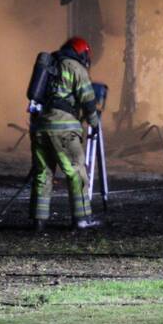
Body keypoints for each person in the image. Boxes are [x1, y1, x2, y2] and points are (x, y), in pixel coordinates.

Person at [29, 36, 102, 231]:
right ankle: (82, 219)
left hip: (40, 127)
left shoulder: (50, 66)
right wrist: (94, 122)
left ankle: (39, 221)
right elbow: (88, 100)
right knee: (77, 172)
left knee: (43, 174)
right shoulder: (76, 68)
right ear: (82, 53)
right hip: (63, 129)